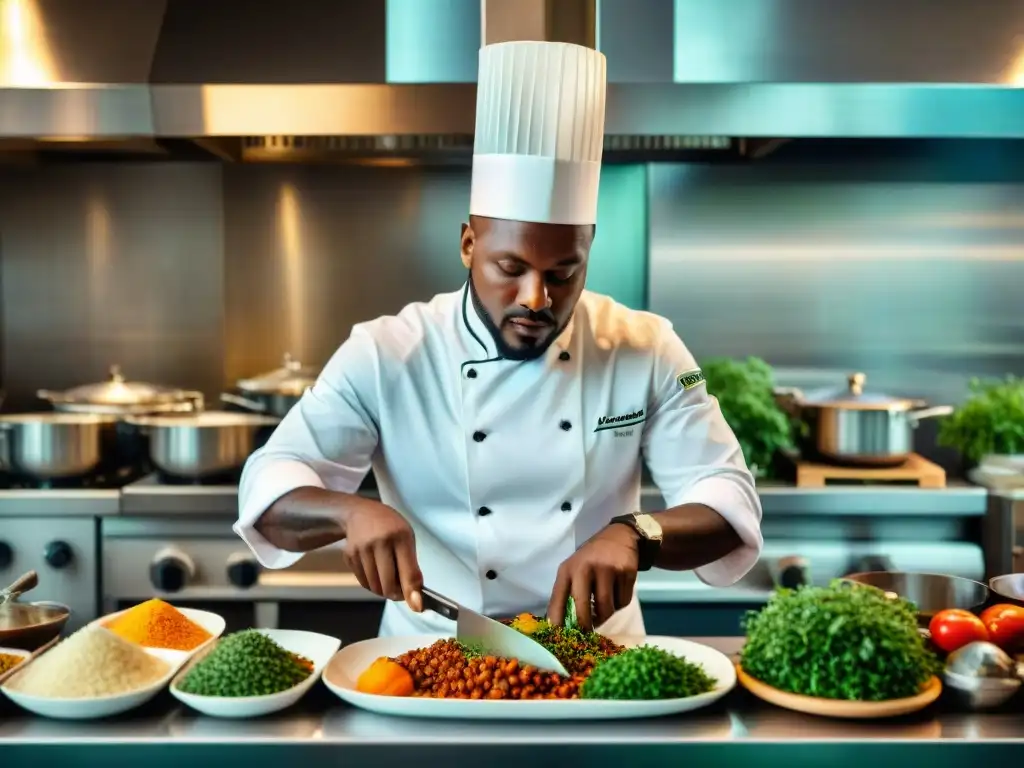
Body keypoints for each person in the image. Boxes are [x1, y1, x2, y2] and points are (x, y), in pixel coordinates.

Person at [234, 40, 763, 636]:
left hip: (601, 667)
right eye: (511, 269)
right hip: (429, 663)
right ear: (468, 245)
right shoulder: (388, 352)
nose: (536, 298)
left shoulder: (645, 348)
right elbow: (270, 485)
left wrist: (639, 533)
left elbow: (726, 498)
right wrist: (348, 510)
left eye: (563, 273)